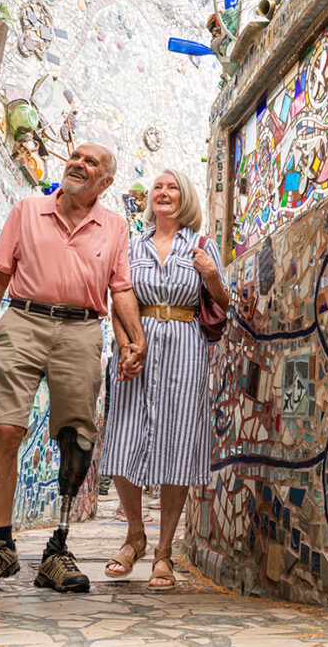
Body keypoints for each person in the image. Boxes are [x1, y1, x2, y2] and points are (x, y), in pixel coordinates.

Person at [0, 142, 146, 593]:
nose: (79, 164)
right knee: (5, 428)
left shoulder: (115, 226)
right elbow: (0, 272)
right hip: (22, 320)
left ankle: (57, 549)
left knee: (77, 438)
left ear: (105, 183)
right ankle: (1, 546)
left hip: (82, 329)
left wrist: (133, 338)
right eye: (76, 157)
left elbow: (119, 288)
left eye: (92, 163)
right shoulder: (27, 209)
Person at [100, 168, 229, 589]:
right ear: (149, 198)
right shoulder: (131, 246)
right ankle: (134, 534)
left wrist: (210, 275)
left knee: (178, 442)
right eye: (158, 187)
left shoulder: (201, 245)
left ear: (184, 197)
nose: (164, 193)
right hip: (138, 346)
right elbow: (118, 300)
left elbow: (223, 303)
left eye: (172, 187)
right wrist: (124, 346)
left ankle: (164, 552)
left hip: (185, 347)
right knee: (123, 437)